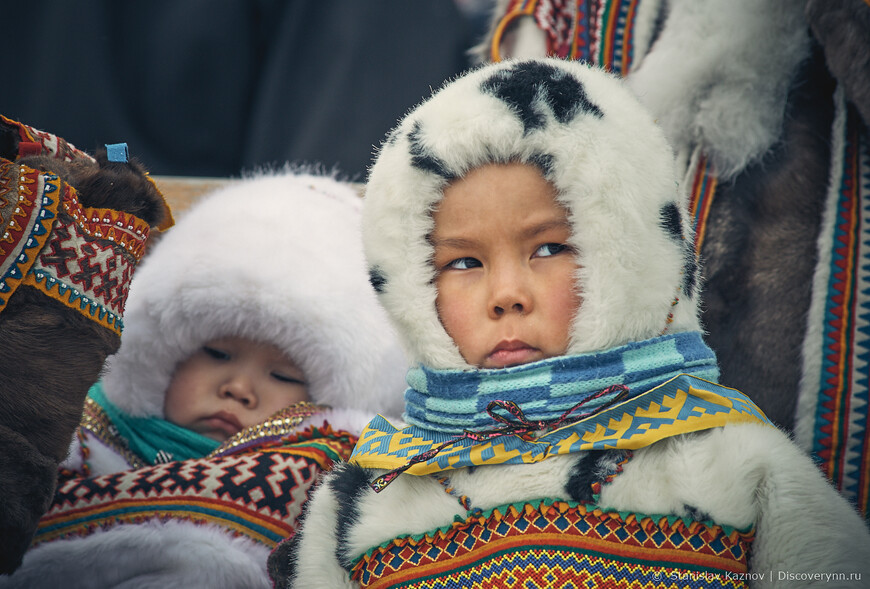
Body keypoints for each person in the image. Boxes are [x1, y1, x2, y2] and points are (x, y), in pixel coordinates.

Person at [271, 59, 870, 588]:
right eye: (463, 262)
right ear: (407, 283)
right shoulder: (373, 494)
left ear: (631, 249)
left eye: (550, 248)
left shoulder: (731, 462)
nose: (506, 294)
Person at [1, 171, 407, 588]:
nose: (239, 388)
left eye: (282, 375)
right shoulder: (66, 441)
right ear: (158, 355)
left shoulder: (328, 480)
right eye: (217, 354)